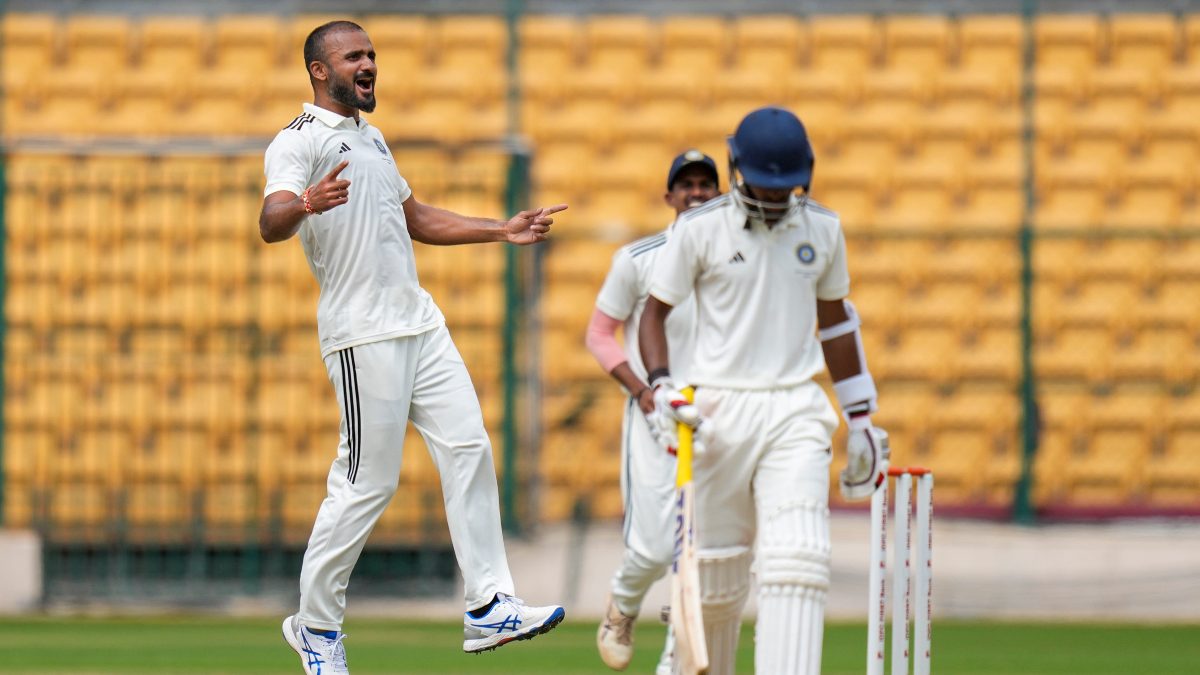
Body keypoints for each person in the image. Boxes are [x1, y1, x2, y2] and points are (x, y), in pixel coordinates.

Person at [259, 20, 566, 675]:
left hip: (418, 323)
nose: (369, 64)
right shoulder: (298, 141)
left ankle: (489, 603)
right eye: (354, 57)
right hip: (361, 330)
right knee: (368, 482)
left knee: (469, 446)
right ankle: (314, 624)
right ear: (320, 70)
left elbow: (414, 216)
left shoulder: (372, 138)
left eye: (371, 54)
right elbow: (270, 220)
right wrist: (308, 201)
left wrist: (499, 230)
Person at [638, 106, 889, 675]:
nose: (776, 199)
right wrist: (660, 388)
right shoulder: (699, 229)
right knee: (718, 583)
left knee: (797, 561)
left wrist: (863, 419)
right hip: (717, 410)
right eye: (764, 187)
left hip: (795, 408)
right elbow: (653, 316)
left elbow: (836, 322)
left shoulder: (823, 228)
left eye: (787, 188)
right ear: (737, 169)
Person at [586, 150, 720, 673]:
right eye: (685, 184)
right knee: (653, 546)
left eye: (707, 184)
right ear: (669, 196)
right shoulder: (639, 259)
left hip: (719, 416)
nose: (696, 193)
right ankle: (622, 604)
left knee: (703, 551)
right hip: (655, 416)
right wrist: (643, 392)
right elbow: (600, 334)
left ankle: (676, 654)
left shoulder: (737, 259)